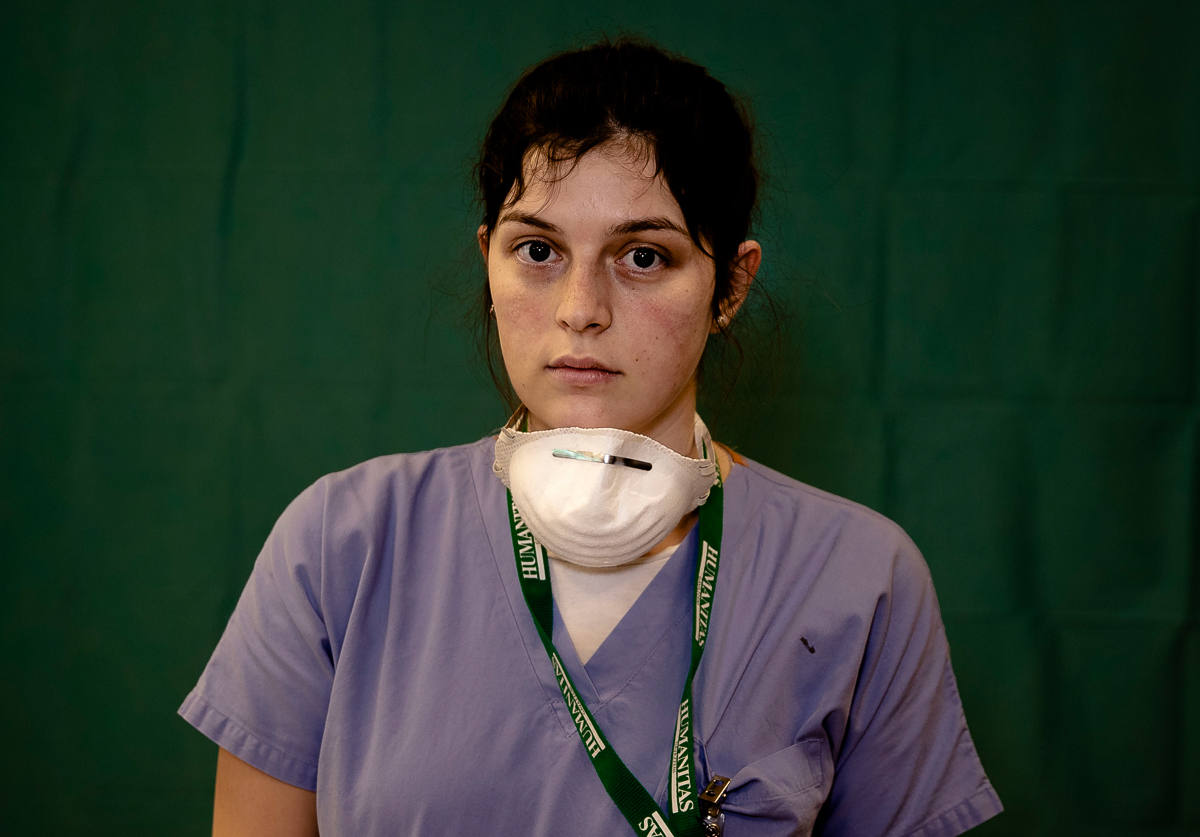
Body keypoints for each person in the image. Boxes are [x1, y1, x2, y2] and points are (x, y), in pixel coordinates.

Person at [180, 37, 1003, 837]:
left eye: (643, 256)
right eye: (537, 249)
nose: (581, 307)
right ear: (488, 264)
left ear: (731, 287)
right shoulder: (339, 545)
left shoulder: (860, 578)